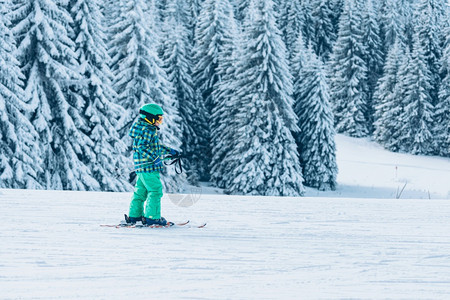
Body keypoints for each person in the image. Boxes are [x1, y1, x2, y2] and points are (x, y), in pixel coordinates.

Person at [125, 103, 179, 226]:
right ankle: (152, 218)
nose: (160, 122)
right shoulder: (148, 129)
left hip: (141, 167)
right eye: (159, 119)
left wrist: (170, 151)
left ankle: (135, 216)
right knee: (155, 190)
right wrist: (155, 158)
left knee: (140, 192)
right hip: (148, 166)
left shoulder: (142, 128)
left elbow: (154, 146)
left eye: (161, 119)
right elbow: (142, 147)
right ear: (149, 117)